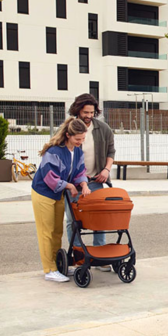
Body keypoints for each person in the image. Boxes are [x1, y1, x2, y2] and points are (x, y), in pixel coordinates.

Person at [31, 118, 90, 283]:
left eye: (83, 139)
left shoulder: (77, 151)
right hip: (43, 193)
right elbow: (50, 177)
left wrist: (84, 184)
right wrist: (69, 186)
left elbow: (79, 171)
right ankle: (49, 269)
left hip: (58, 194)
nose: (80, 142)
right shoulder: (54, 151)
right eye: (78, 139)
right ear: (68, 135)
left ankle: (58, 266)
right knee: (46, 232)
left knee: (57, 231)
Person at [65, 93, 116, 270]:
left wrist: (106, 170)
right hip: (74, 183)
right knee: (73, 221)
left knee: (99, 219)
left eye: (91, 112)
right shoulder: (69, 128)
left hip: (96, 181)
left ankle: (99, 257)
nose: (88, 116)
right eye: (85, 112)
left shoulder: (103, 128)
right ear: (78, 111)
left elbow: (111, 152)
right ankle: (79, 257)